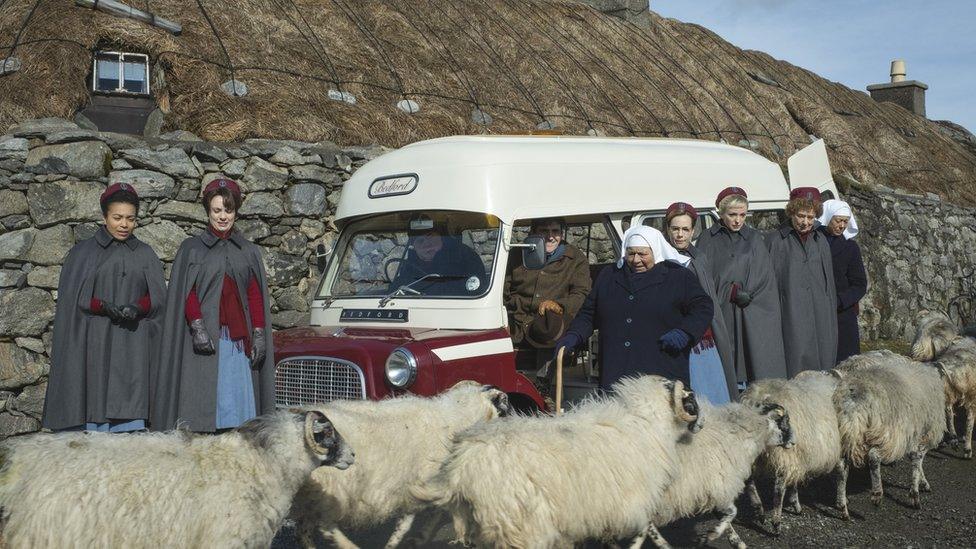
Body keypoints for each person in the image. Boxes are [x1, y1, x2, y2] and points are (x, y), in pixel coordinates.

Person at [151, 178, 274, 432]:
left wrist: (259, 332)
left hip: (237, 342)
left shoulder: (247, 251)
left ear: (236, 211)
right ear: (208, 211)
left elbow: (254, 294)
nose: (222, 217)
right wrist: (197, 325)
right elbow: (188, 292)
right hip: (205, 336)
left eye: (228, 211)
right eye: (217, 210)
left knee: (236, 401)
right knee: (204, 395)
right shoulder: (192, 249)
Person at [42, 183, 166, 432]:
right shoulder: (83, 253)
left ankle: (128, 431)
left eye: (130, 219)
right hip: (94, 340)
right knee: (94, 386)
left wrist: (137, 307)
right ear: (104, 217)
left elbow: (157, 298)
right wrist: (101, 306)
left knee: (129, 391)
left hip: (132, 342)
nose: (124, 224)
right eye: (117, 217)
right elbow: (74, 299)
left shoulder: (145, 254)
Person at [554, 226, 713, 390]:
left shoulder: (678, 276)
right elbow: (589, 313)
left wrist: (684, 332)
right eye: (631, 253)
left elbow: (703, 307)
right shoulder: (609, 275)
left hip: (661, 370)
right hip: (616, 372)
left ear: (656, 252)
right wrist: (574, 335)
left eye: (643, 254)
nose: (636, 260)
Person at [695, 187, 787, 383]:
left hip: (750, 311)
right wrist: (729, 290)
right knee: (726, 359)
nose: (738, 220)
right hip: (722, 310)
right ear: (721, 213)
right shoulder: (707, 239)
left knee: (751, 357)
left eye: (742, 215)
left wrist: (750, 293)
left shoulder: (754, 238)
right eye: (732, 215)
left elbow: (765, 276)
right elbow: (702, 276)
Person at [664, 202, 735, 403]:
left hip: (705, 340)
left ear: (693, 230)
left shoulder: (699, 257)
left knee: (712, 393)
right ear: (667, 229)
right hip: (679, 336)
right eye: (675, 229)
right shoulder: (663, 259)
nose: (680, 235)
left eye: (685, 229)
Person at [766, 187, 838, 375]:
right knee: (796, 367)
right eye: (801, 216)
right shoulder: (776, 241)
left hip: (820, 315)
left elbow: (828, 284)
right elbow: (770, 285)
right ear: (791, 212)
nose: (805, 222)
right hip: (791, 315)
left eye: (810, 217)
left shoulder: (820, 240)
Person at [504, 218, 591, 364]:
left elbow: (581, 294)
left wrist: (558, 305)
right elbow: (503, 291)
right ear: (533, 233)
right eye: (544, 231)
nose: (550, 236)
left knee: (551, 336)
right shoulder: (516, 255)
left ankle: (544, 384)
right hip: (517, 323)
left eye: (555, 231)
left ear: (561, 234)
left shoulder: (575, 258)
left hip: (551, 326)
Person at [817, 199, 867, 363]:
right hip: (816, 310)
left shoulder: (851, 248)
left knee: (844, 362)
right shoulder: (815, 242)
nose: (842, 226)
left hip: (842, 314)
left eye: (845, 221)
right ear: (828, 218)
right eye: (838, 221)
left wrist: (839, 301)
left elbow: (859, 284)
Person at [388, 215, 488, 297]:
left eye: (430, 237)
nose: (427, 245)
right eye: (420, 241)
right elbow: (397, 289)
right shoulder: (410, 265)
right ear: (414, 247)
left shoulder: (463, 256)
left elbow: (476, 290)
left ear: (441, 237)